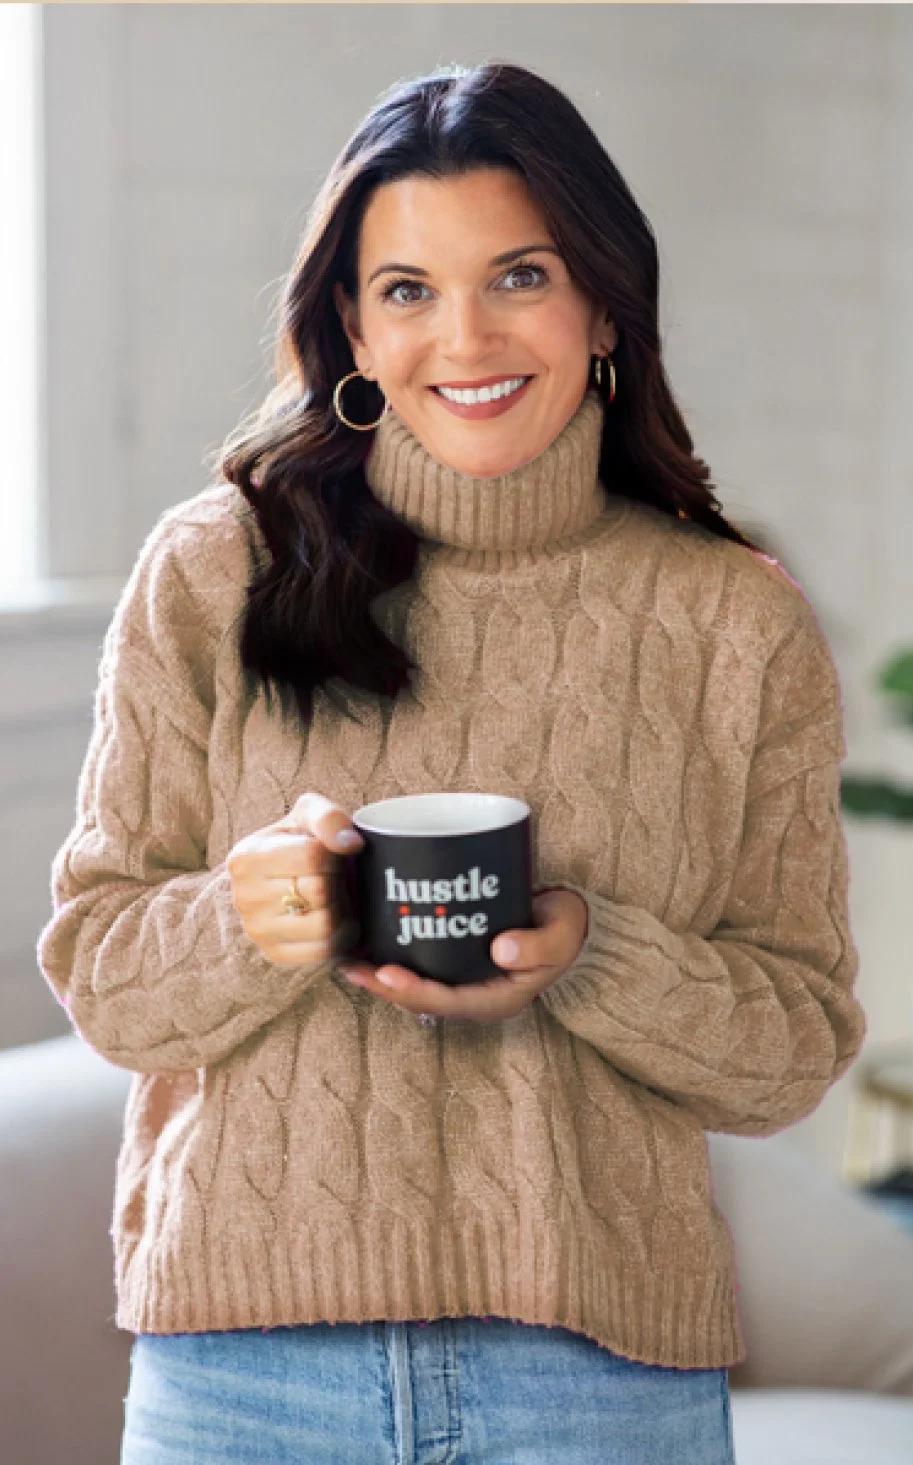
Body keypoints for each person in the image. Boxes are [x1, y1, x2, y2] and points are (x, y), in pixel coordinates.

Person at [36, 60, 866, 1465]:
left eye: (521, 275)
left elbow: (795, 1049)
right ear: (350, 327)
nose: (464, 333)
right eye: (408, 288)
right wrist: (246, 917)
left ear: (605, 300)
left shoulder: (733, 622)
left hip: (601, 1393)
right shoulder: (210, 573)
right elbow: (102, 977)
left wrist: (595, 957)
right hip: (243, 1386)